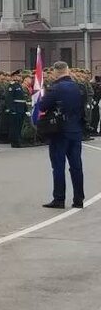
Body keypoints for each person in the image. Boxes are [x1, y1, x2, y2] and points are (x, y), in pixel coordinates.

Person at [37, 61, 86, 209]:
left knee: (58, 166)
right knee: (76, 166)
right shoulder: (79, 87)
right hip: (76, 129)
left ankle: (59, 199)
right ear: (67, 70)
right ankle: (78, 199)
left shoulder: (55, 88)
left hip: (59, 131)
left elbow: (43, 106)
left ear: (56, 72)